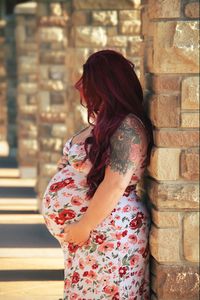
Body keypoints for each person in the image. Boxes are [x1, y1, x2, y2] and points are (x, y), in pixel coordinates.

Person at [42, 49, 154, 300]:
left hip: (109, 233)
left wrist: (84, 226)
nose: (83, 89)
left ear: (106, 86)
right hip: (93, 237)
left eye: (90, 82)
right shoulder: (109, 121)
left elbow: (115, 184)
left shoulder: (128, 127)